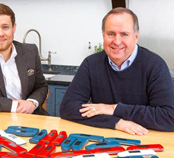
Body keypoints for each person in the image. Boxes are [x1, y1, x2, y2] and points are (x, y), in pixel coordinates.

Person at [60, 7, 174, 135]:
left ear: (136, 36)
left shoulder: (155, 66)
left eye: (124, 34)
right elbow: (68, 108)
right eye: (111, 34)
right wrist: (116, 122)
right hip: (105, 138)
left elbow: (169, 118)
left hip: (146, 140)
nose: (117, 41)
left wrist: (114, 109)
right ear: (103, 35)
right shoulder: (91, 64)